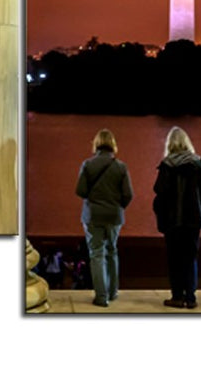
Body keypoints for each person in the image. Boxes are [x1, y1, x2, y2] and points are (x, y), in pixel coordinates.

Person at [152, 125, 201, 309]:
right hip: (193, 219)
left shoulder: (166, 165)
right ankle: (191, 298)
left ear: (170, 144)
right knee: (191, 257)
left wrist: (160, 216)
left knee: (174, 259)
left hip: (171, 221)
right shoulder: (198, 164)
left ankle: (177, 296)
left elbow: (159, 192)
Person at [75, 128, 133, 307]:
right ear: (113, 145)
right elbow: (128, 194)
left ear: (96, 144)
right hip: (114, 216)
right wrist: (117, 206)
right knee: (112, 251)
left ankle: (101, 297)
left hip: (93, 216)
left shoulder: (87, 164)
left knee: (96, 254)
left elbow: (81, 191)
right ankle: (113, 292)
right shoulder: (121, 167)